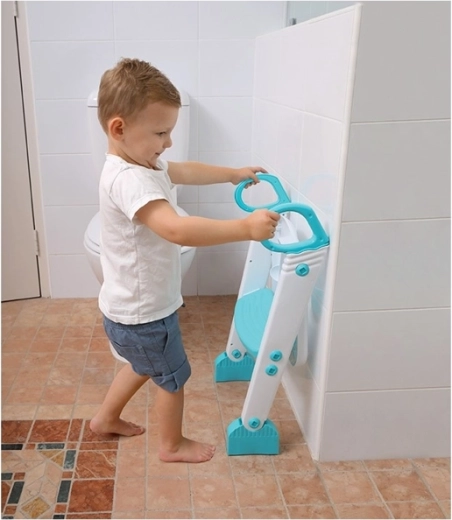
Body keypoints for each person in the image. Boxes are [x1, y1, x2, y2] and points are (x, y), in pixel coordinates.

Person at [89, 58, 280, 463]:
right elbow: (175, 229)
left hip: (127, 307)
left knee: (143, 365)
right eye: (161, 132)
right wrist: (244, 228)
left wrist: (231, 173)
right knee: (172, 378)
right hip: (145, 314)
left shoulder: (142, 162)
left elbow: (183, 171)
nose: (169, 142)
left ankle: (105, 418)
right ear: (119, 129)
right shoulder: (130, 179)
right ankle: (171, 445)